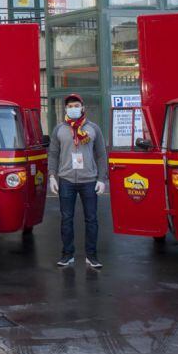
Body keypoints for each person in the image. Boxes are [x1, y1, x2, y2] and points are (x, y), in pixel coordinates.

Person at [48, 93, 108, 270]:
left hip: (89, 181)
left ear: (83, 108)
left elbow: (101, 155)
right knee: (66, 219)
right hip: (66, 180)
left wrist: (101, 179)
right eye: (69, 106)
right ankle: (67, 255)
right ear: (65, 109)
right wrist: (52, 176)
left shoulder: (93, 129)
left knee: (91, 219)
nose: (72, 108)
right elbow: (53, 154)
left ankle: (92, 256)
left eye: (76, 105)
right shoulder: (59, 129)